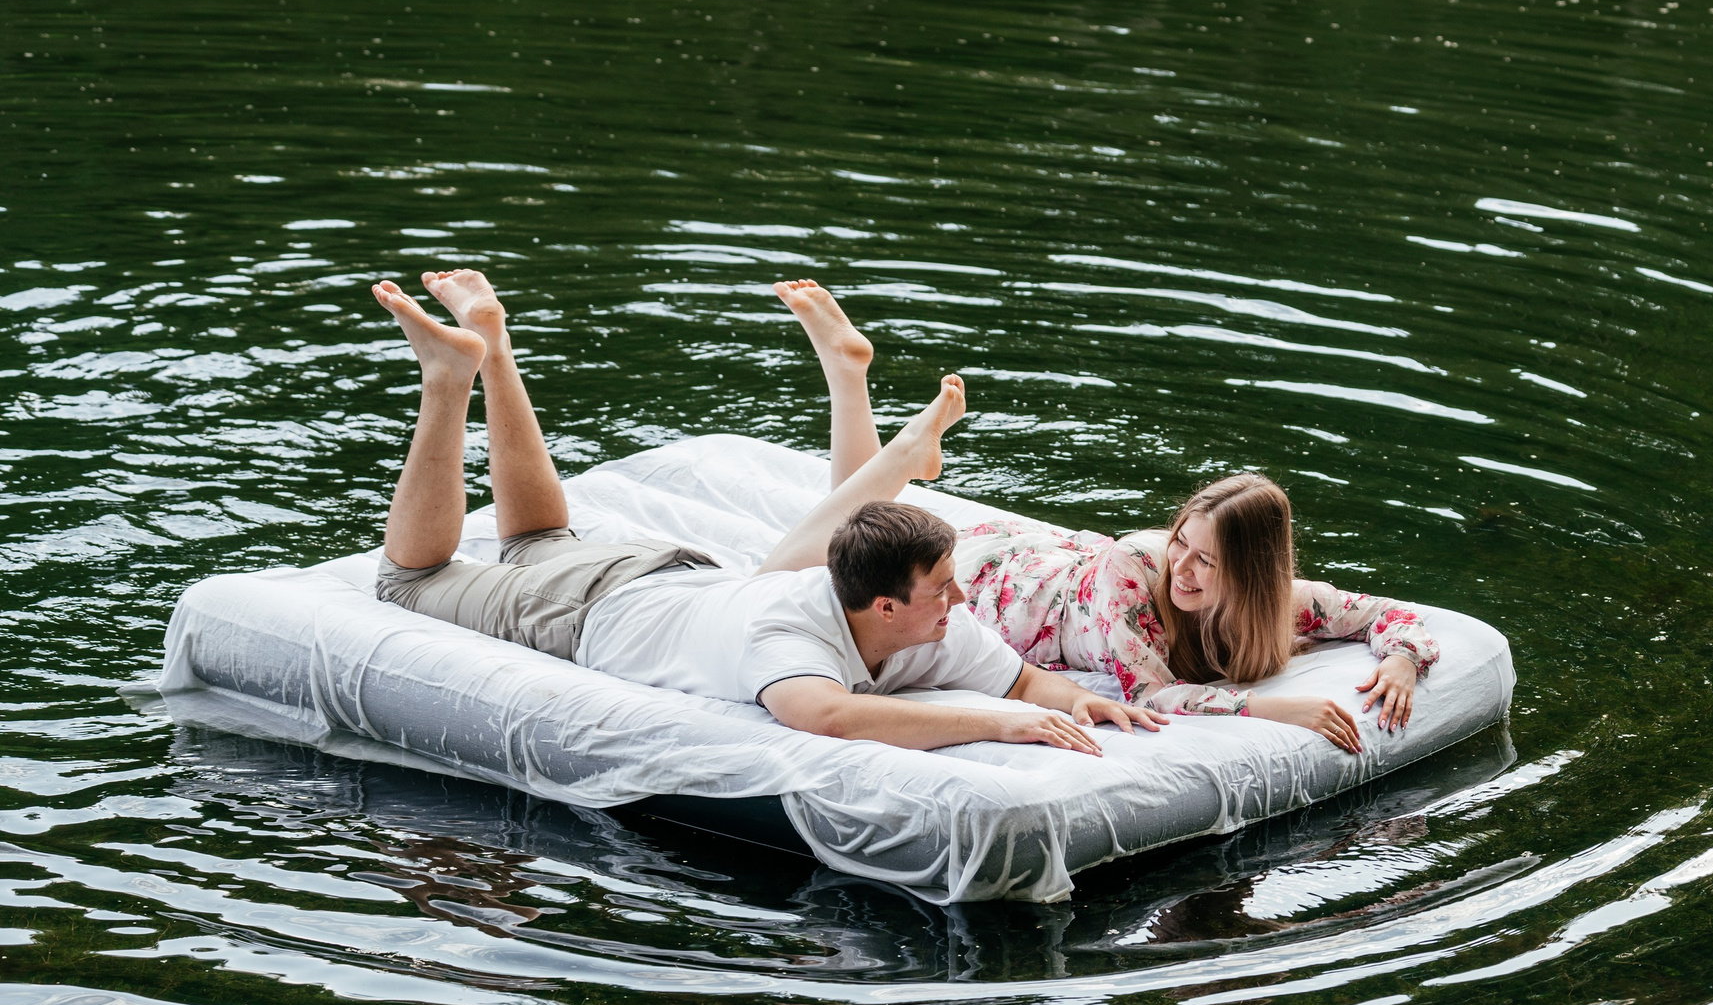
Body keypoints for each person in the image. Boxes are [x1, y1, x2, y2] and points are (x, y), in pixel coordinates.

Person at [367, 269, 1158, 757]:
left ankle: (491, 339)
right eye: (943, 588)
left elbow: (1022, 680)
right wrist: (996, 725)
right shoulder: (790, 640)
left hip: (674, 579)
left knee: (538, 539)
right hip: (592, 609)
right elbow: (830, 718)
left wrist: (1074, 700)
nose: (960, 598)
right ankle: (449, 377)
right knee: (410, 580)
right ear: (884, 606)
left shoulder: (932, 628)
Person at [945, 475, 1442, 756]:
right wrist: (1273, 708)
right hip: (1017, 591)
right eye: (1180, 541)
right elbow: (1151, 695)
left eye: (1206, 560)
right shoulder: (1131, 575)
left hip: (1074, 570)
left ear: (1250, 574)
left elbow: (1385, 613)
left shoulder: (1281, 603)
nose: (1180, 569)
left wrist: (1402, 659)